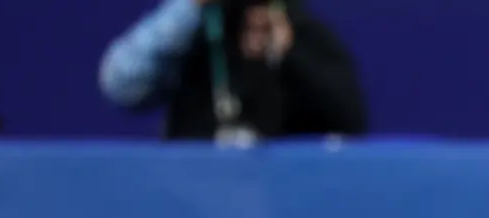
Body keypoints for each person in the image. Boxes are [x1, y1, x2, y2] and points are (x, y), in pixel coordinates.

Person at [98, 0, 366, 143]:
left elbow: (350, 121)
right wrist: (191, 6)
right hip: (193, 213)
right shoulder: (192, 33)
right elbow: (121, 84)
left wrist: (289, 55)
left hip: (278, 215)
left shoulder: (303, 32)